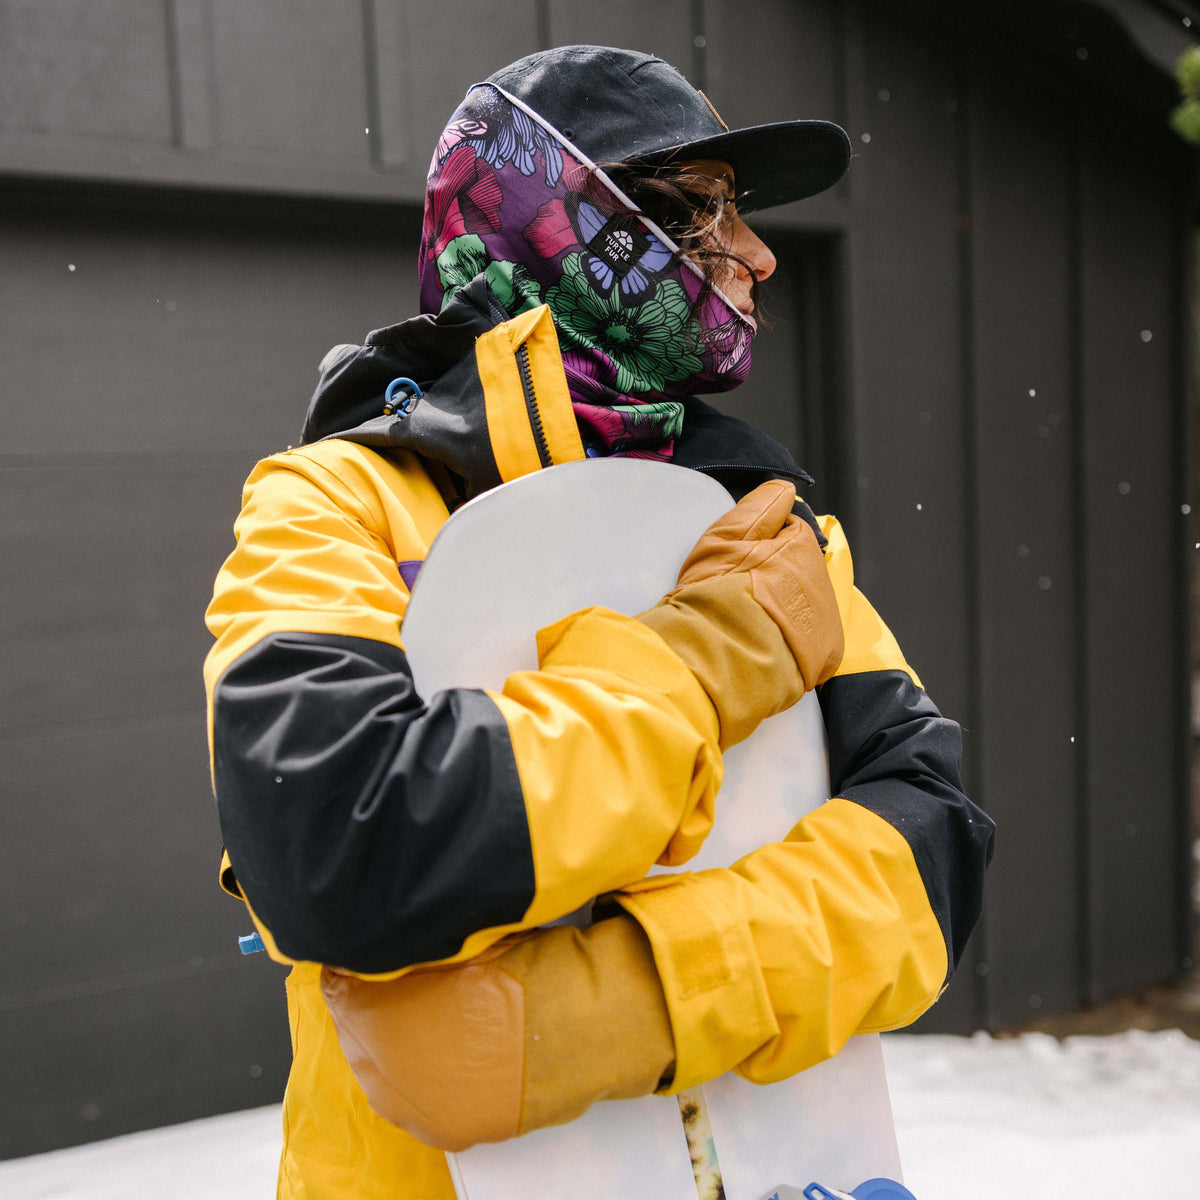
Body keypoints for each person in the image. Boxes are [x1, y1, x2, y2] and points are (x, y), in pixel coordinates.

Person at [203, 45, 994, 1200]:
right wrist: (697, 664)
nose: (759, 255)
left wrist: (617, 1006)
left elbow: (935, 843)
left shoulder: (764, 526)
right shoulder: (340, 501)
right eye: (705, 213)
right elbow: (339, 843)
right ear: (558, 216)